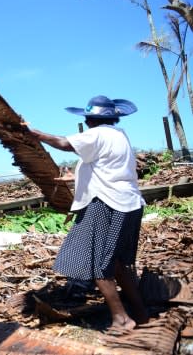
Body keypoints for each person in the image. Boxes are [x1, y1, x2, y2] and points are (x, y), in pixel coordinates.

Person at [26, 95, 148, 330]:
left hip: (106, 204)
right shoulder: (120, 135)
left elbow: (64, 144)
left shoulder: (97, 133)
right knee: (120, 264)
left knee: (99, 265)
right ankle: (141, 313)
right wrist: (75, 177)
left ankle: (122, 319)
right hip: (130, 203)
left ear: (90, 119)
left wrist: (38, 135)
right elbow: (107, 168)